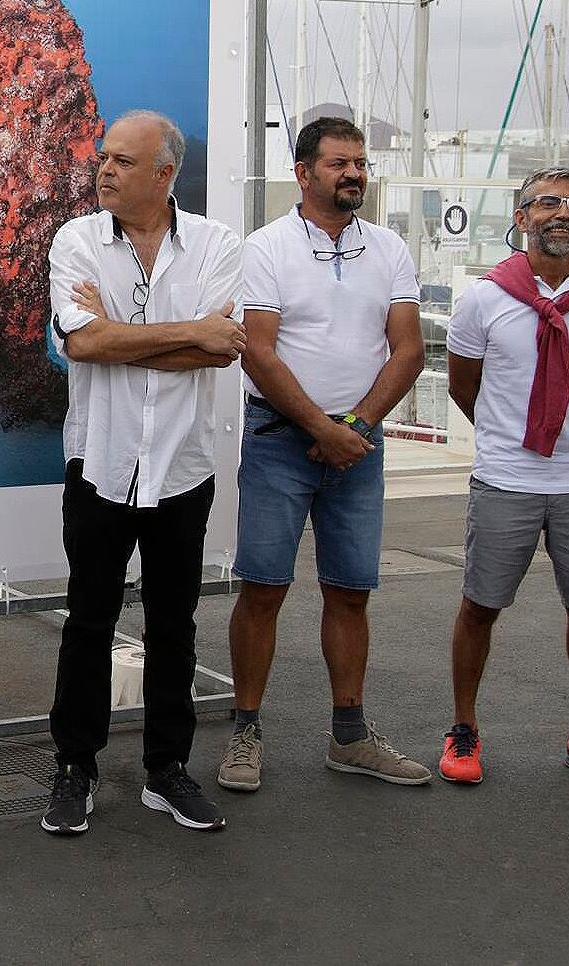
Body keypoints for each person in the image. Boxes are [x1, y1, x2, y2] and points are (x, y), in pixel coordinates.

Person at [40, 110, 245, 835]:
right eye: (104, 157)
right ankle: (74, 768)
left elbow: (222, 350)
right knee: (88, 622)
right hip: (100, 462)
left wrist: (119, 340)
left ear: (165, 174)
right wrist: (186, 331)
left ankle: (167, 770)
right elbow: (84, 343)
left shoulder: (218, 245)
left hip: (183, 467)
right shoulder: (76, 239)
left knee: (173, 624)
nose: (105, 169)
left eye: (124, 161)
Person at [221, 116, 431, 794]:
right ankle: (245, 732)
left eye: (360, 164)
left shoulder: (391, 249)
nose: (354, 174)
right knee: (264, 589)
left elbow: (408, 349)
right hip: (282, 442)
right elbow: (259, 351)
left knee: (349, 592)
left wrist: (356, 429)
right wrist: (321, 426)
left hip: (356, 447)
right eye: (340, 163)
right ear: (304, 172)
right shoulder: (265, 248)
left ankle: (351, 736)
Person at [439, 167, 569, 791]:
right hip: (507, 478)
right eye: (548, 203)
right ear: (521, 215)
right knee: (481, 605)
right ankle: (463, 727)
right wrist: (516, 439)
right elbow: (462, 385)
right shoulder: (483, 298)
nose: (563, 213)